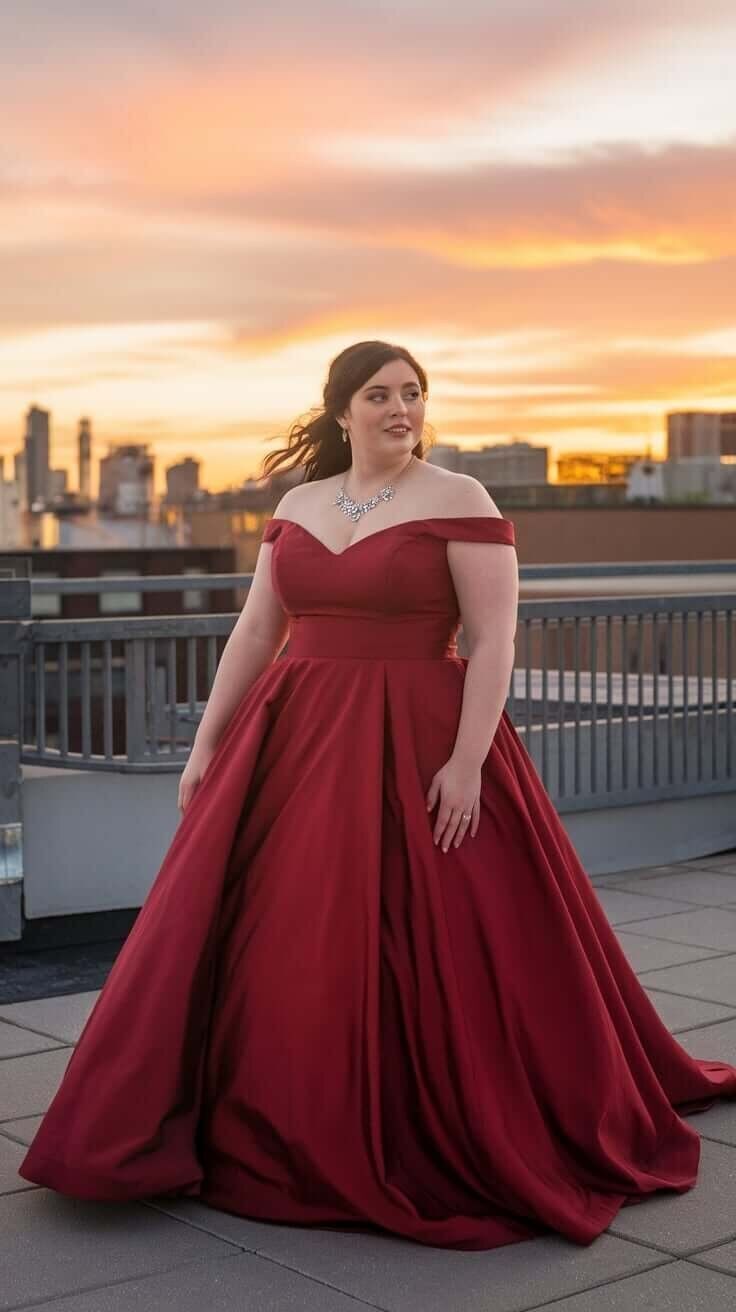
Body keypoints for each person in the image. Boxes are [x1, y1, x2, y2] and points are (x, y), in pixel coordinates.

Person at [18, 340, 736, 1251]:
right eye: (380, 394)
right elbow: (257, 632)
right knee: (284, 927)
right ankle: (268, 1113)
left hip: (421, 739)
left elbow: (495, 640)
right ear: (341, 411)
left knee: (429, 933)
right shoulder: (298, 505)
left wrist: (467, 763)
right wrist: (207, 743)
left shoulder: (460, 498)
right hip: (295, 740)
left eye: (414, 393)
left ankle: (411, 1118)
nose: (402, 409)